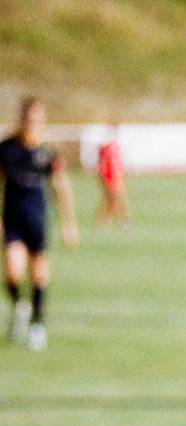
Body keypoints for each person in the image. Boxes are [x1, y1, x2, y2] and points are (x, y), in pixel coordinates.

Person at [2, 97, 80, 352]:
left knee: (38, 276)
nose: (33, 123)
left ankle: (37, 326)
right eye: (29, 119)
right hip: (13, 221)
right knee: (12, 272)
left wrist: (69, 224)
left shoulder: (47, 151)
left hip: (37, 221)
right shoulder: (7, 149)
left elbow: (61, 187)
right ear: (22, 119)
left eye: (38, 119)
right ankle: (20, 305)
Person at [95, 127, 130, 225]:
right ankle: (107, 219)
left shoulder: (115, 146)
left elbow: (118, 162)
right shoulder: (106, 147)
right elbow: (103, 163)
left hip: (115, 174)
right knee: (112, 197)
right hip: (109, 175)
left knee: (117, 196)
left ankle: (119, 219)